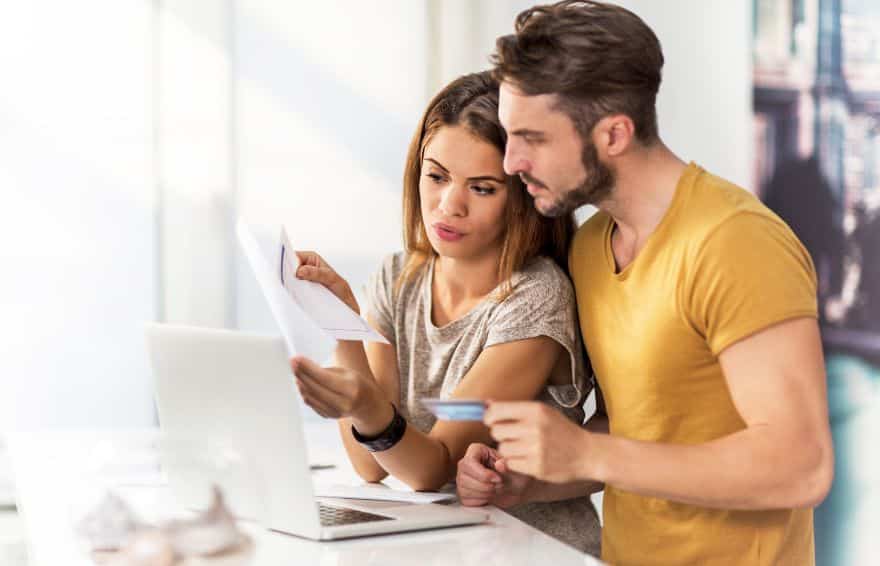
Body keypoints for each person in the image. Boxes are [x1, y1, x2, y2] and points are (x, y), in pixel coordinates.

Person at [455, 2, 834, 564]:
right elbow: (633, 433)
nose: (511, 162)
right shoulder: (590, 246)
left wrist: (585, 454)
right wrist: (532, 480)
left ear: (613, 134)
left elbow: (801, 465)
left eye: (532, 138)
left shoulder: (736, 242)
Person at [289, 71, 601, 555]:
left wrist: (367, 406)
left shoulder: (536, 299)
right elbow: (372, 463)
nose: (448, 205)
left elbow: (431, 470)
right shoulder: (399, 277)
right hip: (452, 548)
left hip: (535, 552)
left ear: (522, 196)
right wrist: (343, 326)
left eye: (481, 188)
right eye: (436, 176)